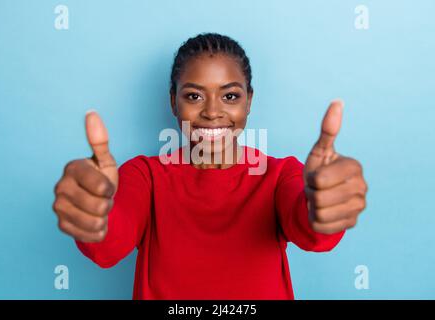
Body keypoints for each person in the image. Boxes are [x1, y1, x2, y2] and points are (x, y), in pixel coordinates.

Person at [52, 33, 368, 299]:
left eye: (230, 95)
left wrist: (322, 205)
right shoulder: (145, 175)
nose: (213, 112)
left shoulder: (279, 174)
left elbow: (312, 232)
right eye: (194, 96)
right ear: (173, 101)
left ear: (249, 101)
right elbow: (108, 247)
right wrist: (95, 214)